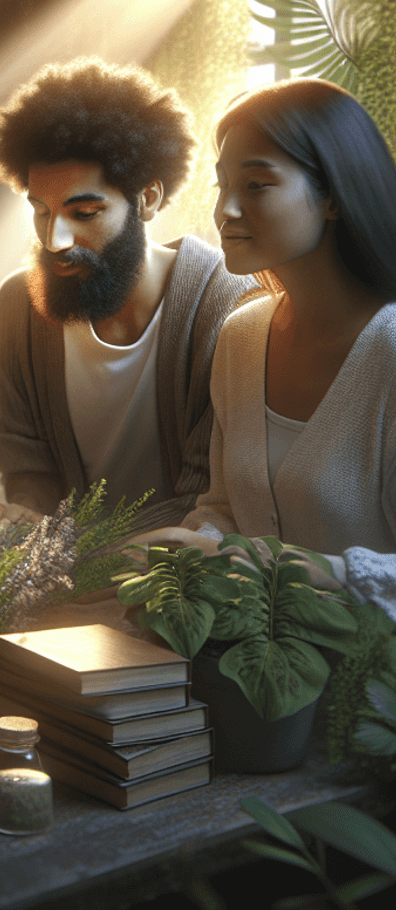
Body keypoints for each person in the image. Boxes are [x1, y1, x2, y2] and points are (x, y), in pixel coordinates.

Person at [0, 57, 255, 532]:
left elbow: (209, 500)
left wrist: (72, 552)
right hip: (65, 578)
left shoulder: (228, 305)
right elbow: (24, 461)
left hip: (178, 583)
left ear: (147, 198)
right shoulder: (17, 307)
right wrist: (26, 513)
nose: (55, 240)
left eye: (83, 213)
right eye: (42, 212)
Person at [175, 79, 396, 616]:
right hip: (253, 675)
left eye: (255, 185)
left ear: (333, 197)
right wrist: (189, 546)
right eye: (221, 184)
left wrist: (313, 571)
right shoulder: (241, 337)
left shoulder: (390, 351)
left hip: (369, 692)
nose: (224, 209)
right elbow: (225, 506)